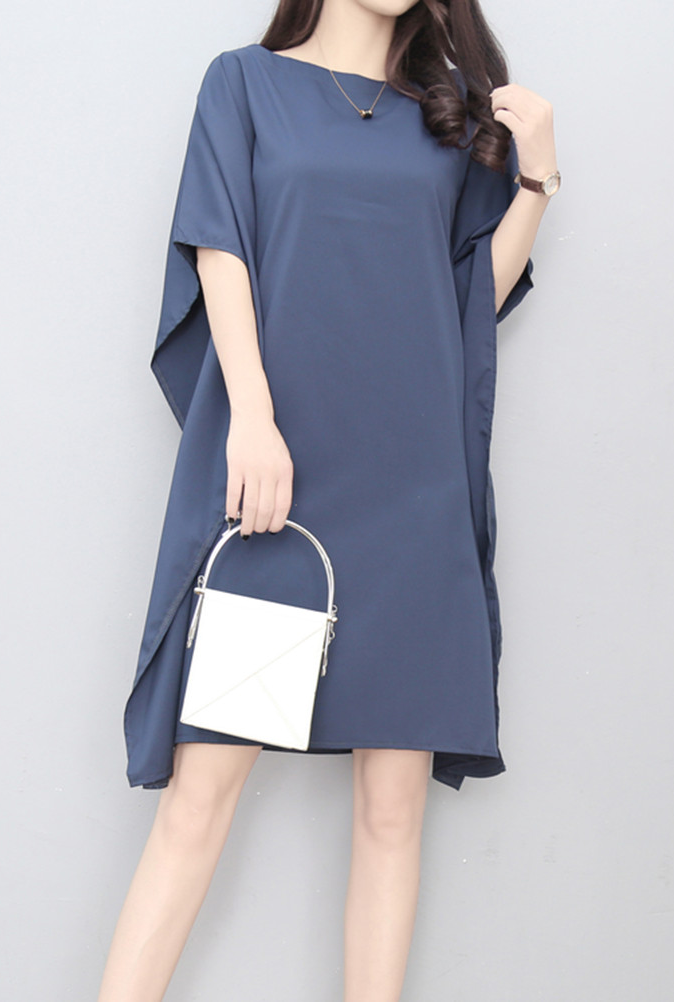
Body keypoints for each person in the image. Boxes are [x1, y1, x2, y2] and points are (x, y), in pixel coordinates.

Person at [98, 0, 557, 998]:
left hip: (413, 498)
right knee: (198, 801)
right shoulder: (245, 84)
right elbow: (221, 249)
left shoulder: (448, 115)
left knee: (393, 816)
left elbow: (467, 305)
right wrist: (252, 420)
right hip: (282, 499)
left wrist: (537, 179)